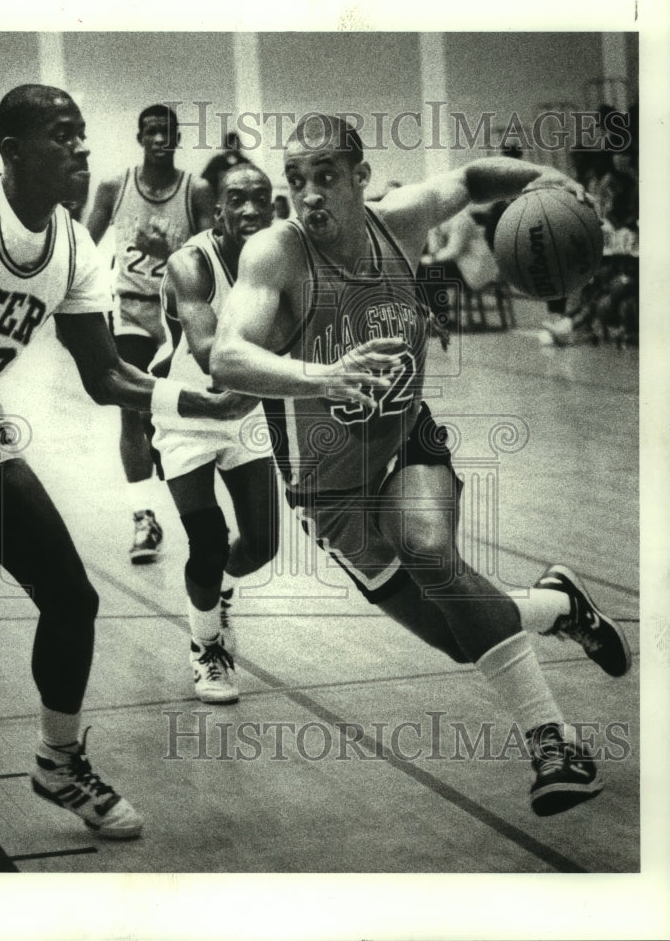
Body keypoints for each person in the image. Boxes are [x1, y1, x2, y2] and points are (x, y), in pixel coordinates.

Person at [211, 113, 632, 817]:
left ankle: (555, 742)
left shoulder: (397, 223)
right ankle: (561, 606)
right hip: (328, 490)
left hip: (407, 442)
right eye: (297, 181)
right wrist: (323, 377)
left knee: (429, 550)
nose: (308, 194)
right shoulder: (274, 254)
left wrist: (546, 177)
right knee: (461, 637)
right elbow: (228, 356)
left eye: (325, 178)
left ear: (359, 178)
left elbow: (468, 180)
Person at [0, 84, 254, 871]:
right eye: (64, 135)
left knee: (70, 595)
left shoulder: (73, 250)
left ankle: (58, 761)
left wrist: (199, 397)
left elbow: (105, 376)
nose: (82, 149)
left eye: (84, 135)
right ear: (15, 151)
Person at [152, 163, 280, 702]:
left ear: (275, 207)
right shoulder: (191, 264)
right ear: (218, 210)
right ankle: (207, 650)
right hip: (189, 412)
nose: (249, 209)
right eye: (237, 200)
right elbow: (209, 352)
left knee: (262, 544)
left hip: (246, 411)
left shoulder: (283, 256)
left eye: (260, 198)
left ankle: (215, 594)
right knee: (206, 542)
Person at [86, 104, 216, 564]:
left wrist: (170, 250)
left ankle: (195, 508)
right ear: (139, 136)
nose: (161, 139)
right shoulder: (113, 186)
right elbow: (83, 245)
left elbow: (211, 258)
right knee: (127, 410)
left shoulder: (196, 189)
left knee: (182, 414)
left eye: (169, 132)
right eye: (152, 131)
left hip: (181, 317)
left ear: (178, 138)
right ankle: (143, 517)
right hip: (131, 311)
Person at [200, 131, 250, 198]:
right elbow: (205, 178)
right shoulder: (217, 161)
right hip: (219, 198)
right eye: (233, 143)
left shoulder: (244, 162)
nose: (236, 146)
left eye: (237, 144)